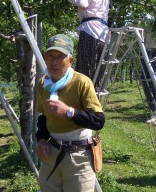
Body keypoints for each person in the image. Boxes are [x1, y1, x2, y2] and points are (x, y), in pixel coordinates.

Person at [36, 34, 105, 192]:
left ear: (70, 60)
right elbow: (43, 118)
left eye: (60, 57)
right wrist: (40, 140)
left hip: (79, 154)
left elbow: (98, 121)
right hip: (52, 152)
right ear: (45, 58)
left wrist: (69, 112)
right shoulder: (43, 83)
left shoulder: (81, 82)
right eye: (50, 56)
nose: (54, 62)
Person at [59, 0, 110, 92]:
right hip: (103, 33)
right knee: (97, 69)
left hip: (90, 30)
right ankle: (95, 99)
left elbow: (82, 1)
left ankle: (83, 100)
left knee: (84, 68)